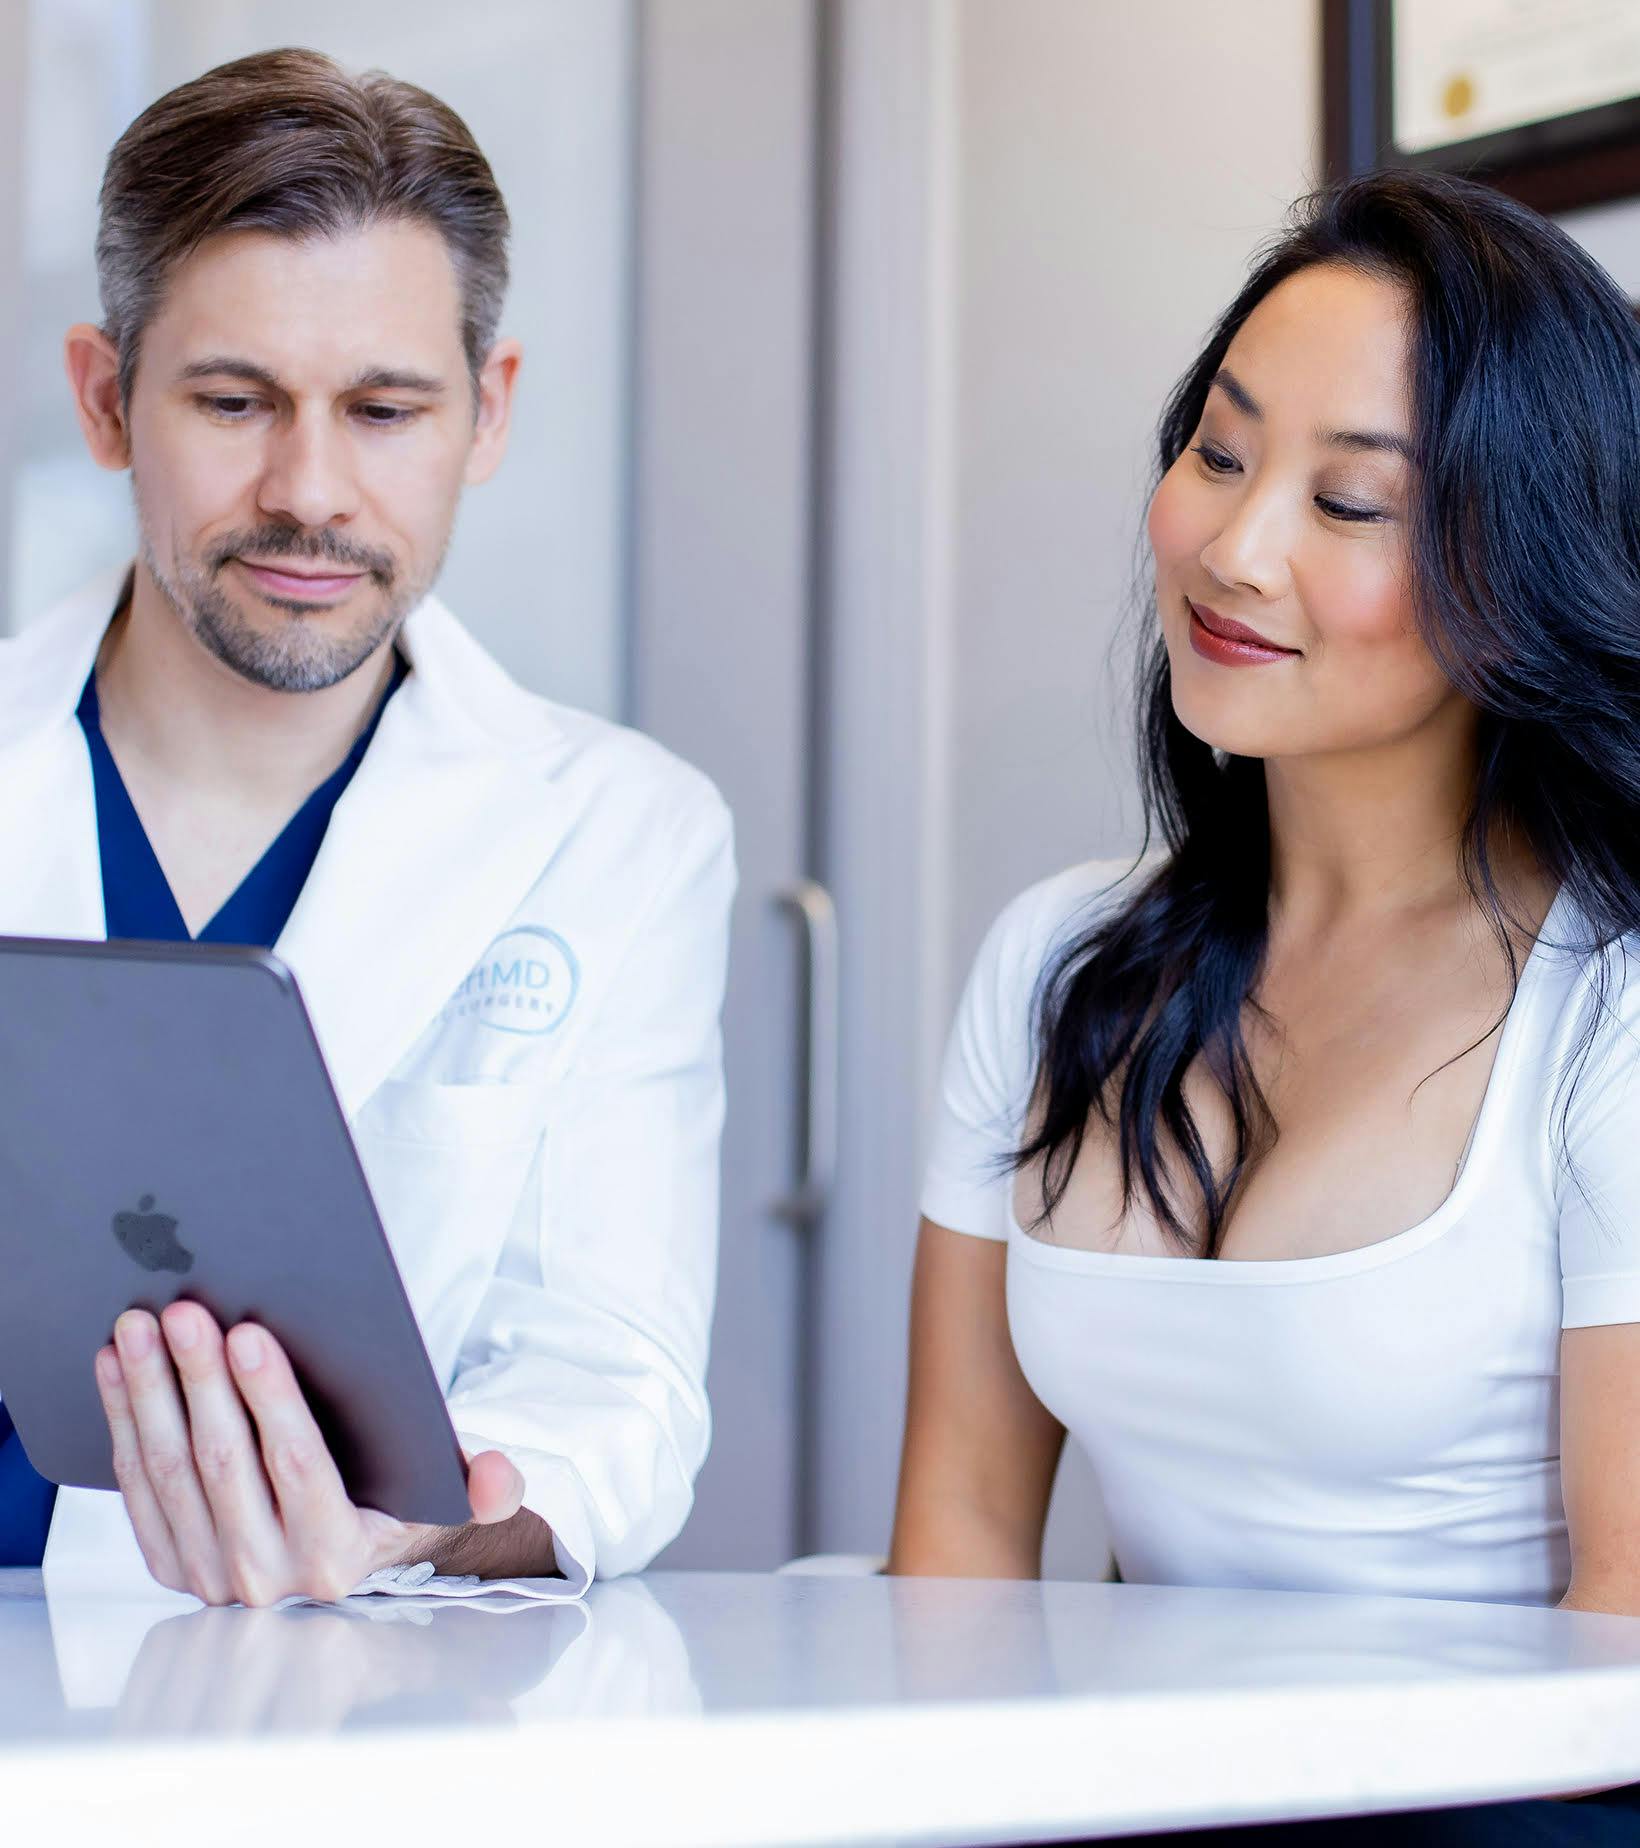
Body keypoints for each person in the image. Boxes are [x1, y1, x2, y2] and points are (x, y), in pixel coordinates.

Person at [891, 168, 1640, 1841]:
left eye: (1350, 505)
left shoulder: (1612, 1012)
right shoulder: (1056, 960)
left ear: (1519, 565)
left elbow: (1625, 1677)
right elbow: (952, 1560)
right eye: (1220, 455)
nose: (1234, 550)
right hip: (1122, 1802)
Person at [0, 49, 734, 1607]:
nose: (310, 491)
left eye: (385, 407)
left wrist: (410, 1524)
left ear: (489, 412)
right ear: (103, 398)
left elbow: (618, 1393)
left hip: (336, 1712)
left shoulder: (618, 840)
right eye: (233, 400)